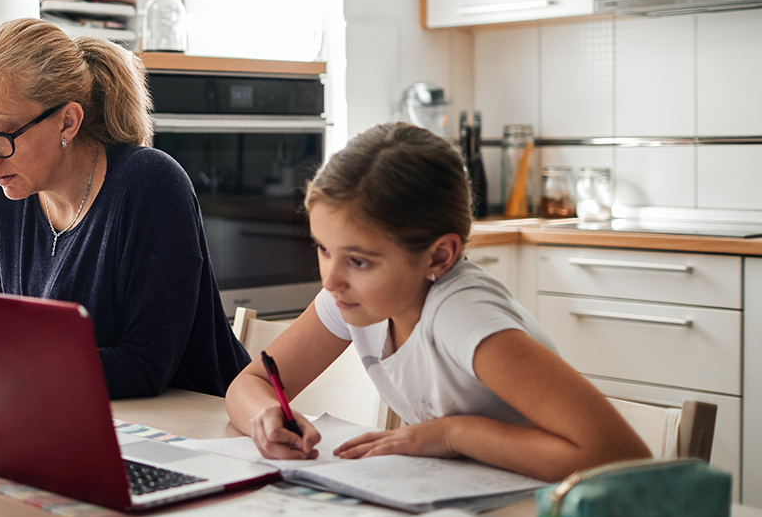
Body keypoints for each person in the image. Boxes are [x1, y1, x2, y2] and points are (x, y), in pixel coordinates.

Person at [225, 122, 650, 482]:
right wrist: (266, 416)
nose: (331, 279)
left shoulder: (463, 317)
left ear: (439, 256)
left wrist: (451, 434)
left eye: (358, 260)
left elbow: (620, 457)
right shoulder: (354, 297)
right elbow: (250, 384)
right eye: (323, 249)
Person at [0, 18, 249, 400]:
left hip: (198, 425)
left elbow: (146, 366)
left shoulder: (151, 184)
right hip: (76, 411)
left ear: (67, 121)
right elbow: (21, 337)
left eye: (0, 135)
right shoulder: (1, 190)